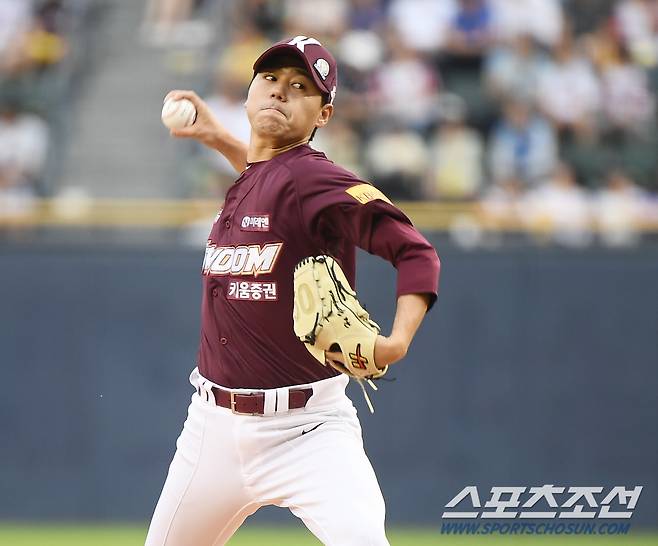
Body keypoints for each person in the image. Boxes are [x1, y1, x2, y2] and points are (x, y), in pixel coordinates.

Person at [145, 35, 440, 546]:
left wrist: (398, 340)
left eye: (300, 87)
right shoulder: (256, 178)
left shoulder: (317, 181)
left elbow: (415, 251)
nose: (280, 92)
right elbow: (267, 176)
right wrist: (215, 136)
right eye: (271, 79)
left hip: (308, 431)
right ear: (249, 94)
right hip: (211, 429)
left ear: (323, 115)